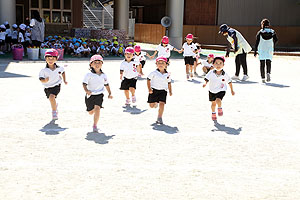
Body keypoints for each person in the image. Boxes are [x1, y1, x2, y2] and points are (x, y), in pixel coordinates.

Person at [83, 55, 113, 132]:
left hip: (99, 94)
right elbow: (84, 84)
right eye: (95, 62)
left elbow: (106, 84)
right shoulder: (88, 74)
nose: (97, 64)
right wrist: (86, 90)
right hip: (90, 95)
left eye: (99, 62)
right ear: (91, 64)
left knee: (97, 108)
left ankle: (95, 125)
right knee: (90, 112)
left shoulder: (104, 75)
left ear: (102, 64)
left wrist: (109, 93)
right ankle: (91, 111)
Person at [203, 56, 235, 121]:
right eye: (216, 63)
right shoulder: (211, 72)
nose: (218, 65)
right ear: (213, 64)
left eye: (220, 63)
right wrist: (205, 83)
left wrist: (232, 90)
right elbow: (206, 79)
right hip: (212, 90)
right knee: (213, 103)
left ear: (223, 65)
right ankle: (213, 113)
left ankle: (220, 108)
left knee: (218, 99)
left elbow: (229, 82)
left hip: (221, 90)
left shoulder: (225, 74)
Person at [39, 49, 67, 120]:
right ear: (45, 59)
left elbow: (63, 72)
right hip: (47, 87)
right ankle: (55, 106)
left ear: (56, 59)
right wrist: (45, 80)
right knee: (51, 99)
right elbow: (40, 78)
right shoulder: (43, 70)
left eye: (53, 58)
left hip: (56, 85)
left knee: (52, 97)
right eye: (48, 58)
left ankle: (54, 111)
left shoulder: (59, 68)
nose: (50, 60)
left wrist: (64, 80)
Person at [147, 56, 172, 124]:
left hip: (163, 91)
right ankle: (155, 103)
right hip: (154, 90)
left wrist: (170, 91)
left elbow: (169, 83)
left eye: (162, 63)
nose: (160, 64)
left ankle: (159, 117)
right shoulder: (153, 73)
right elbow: (148, 80)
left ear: (166, 64)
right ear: (156, 64)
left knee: (162, 104)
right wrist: (149, 88)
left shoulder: (167, 74)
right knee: (151, 106)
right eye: (159, 63)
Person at [254, 19, 278, 83]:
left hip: (261, 49)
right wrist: (273, 44)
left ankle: (263, 78)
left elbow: (257, 42)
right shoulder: (272, 32)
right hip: (269, 49)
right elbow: (276, 39)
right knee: (268, 62)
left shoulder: (260, 32)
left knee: (262, 64)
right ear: (269, 25)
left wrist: (255, 51)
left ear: (262, 25)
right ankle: (268, 73)